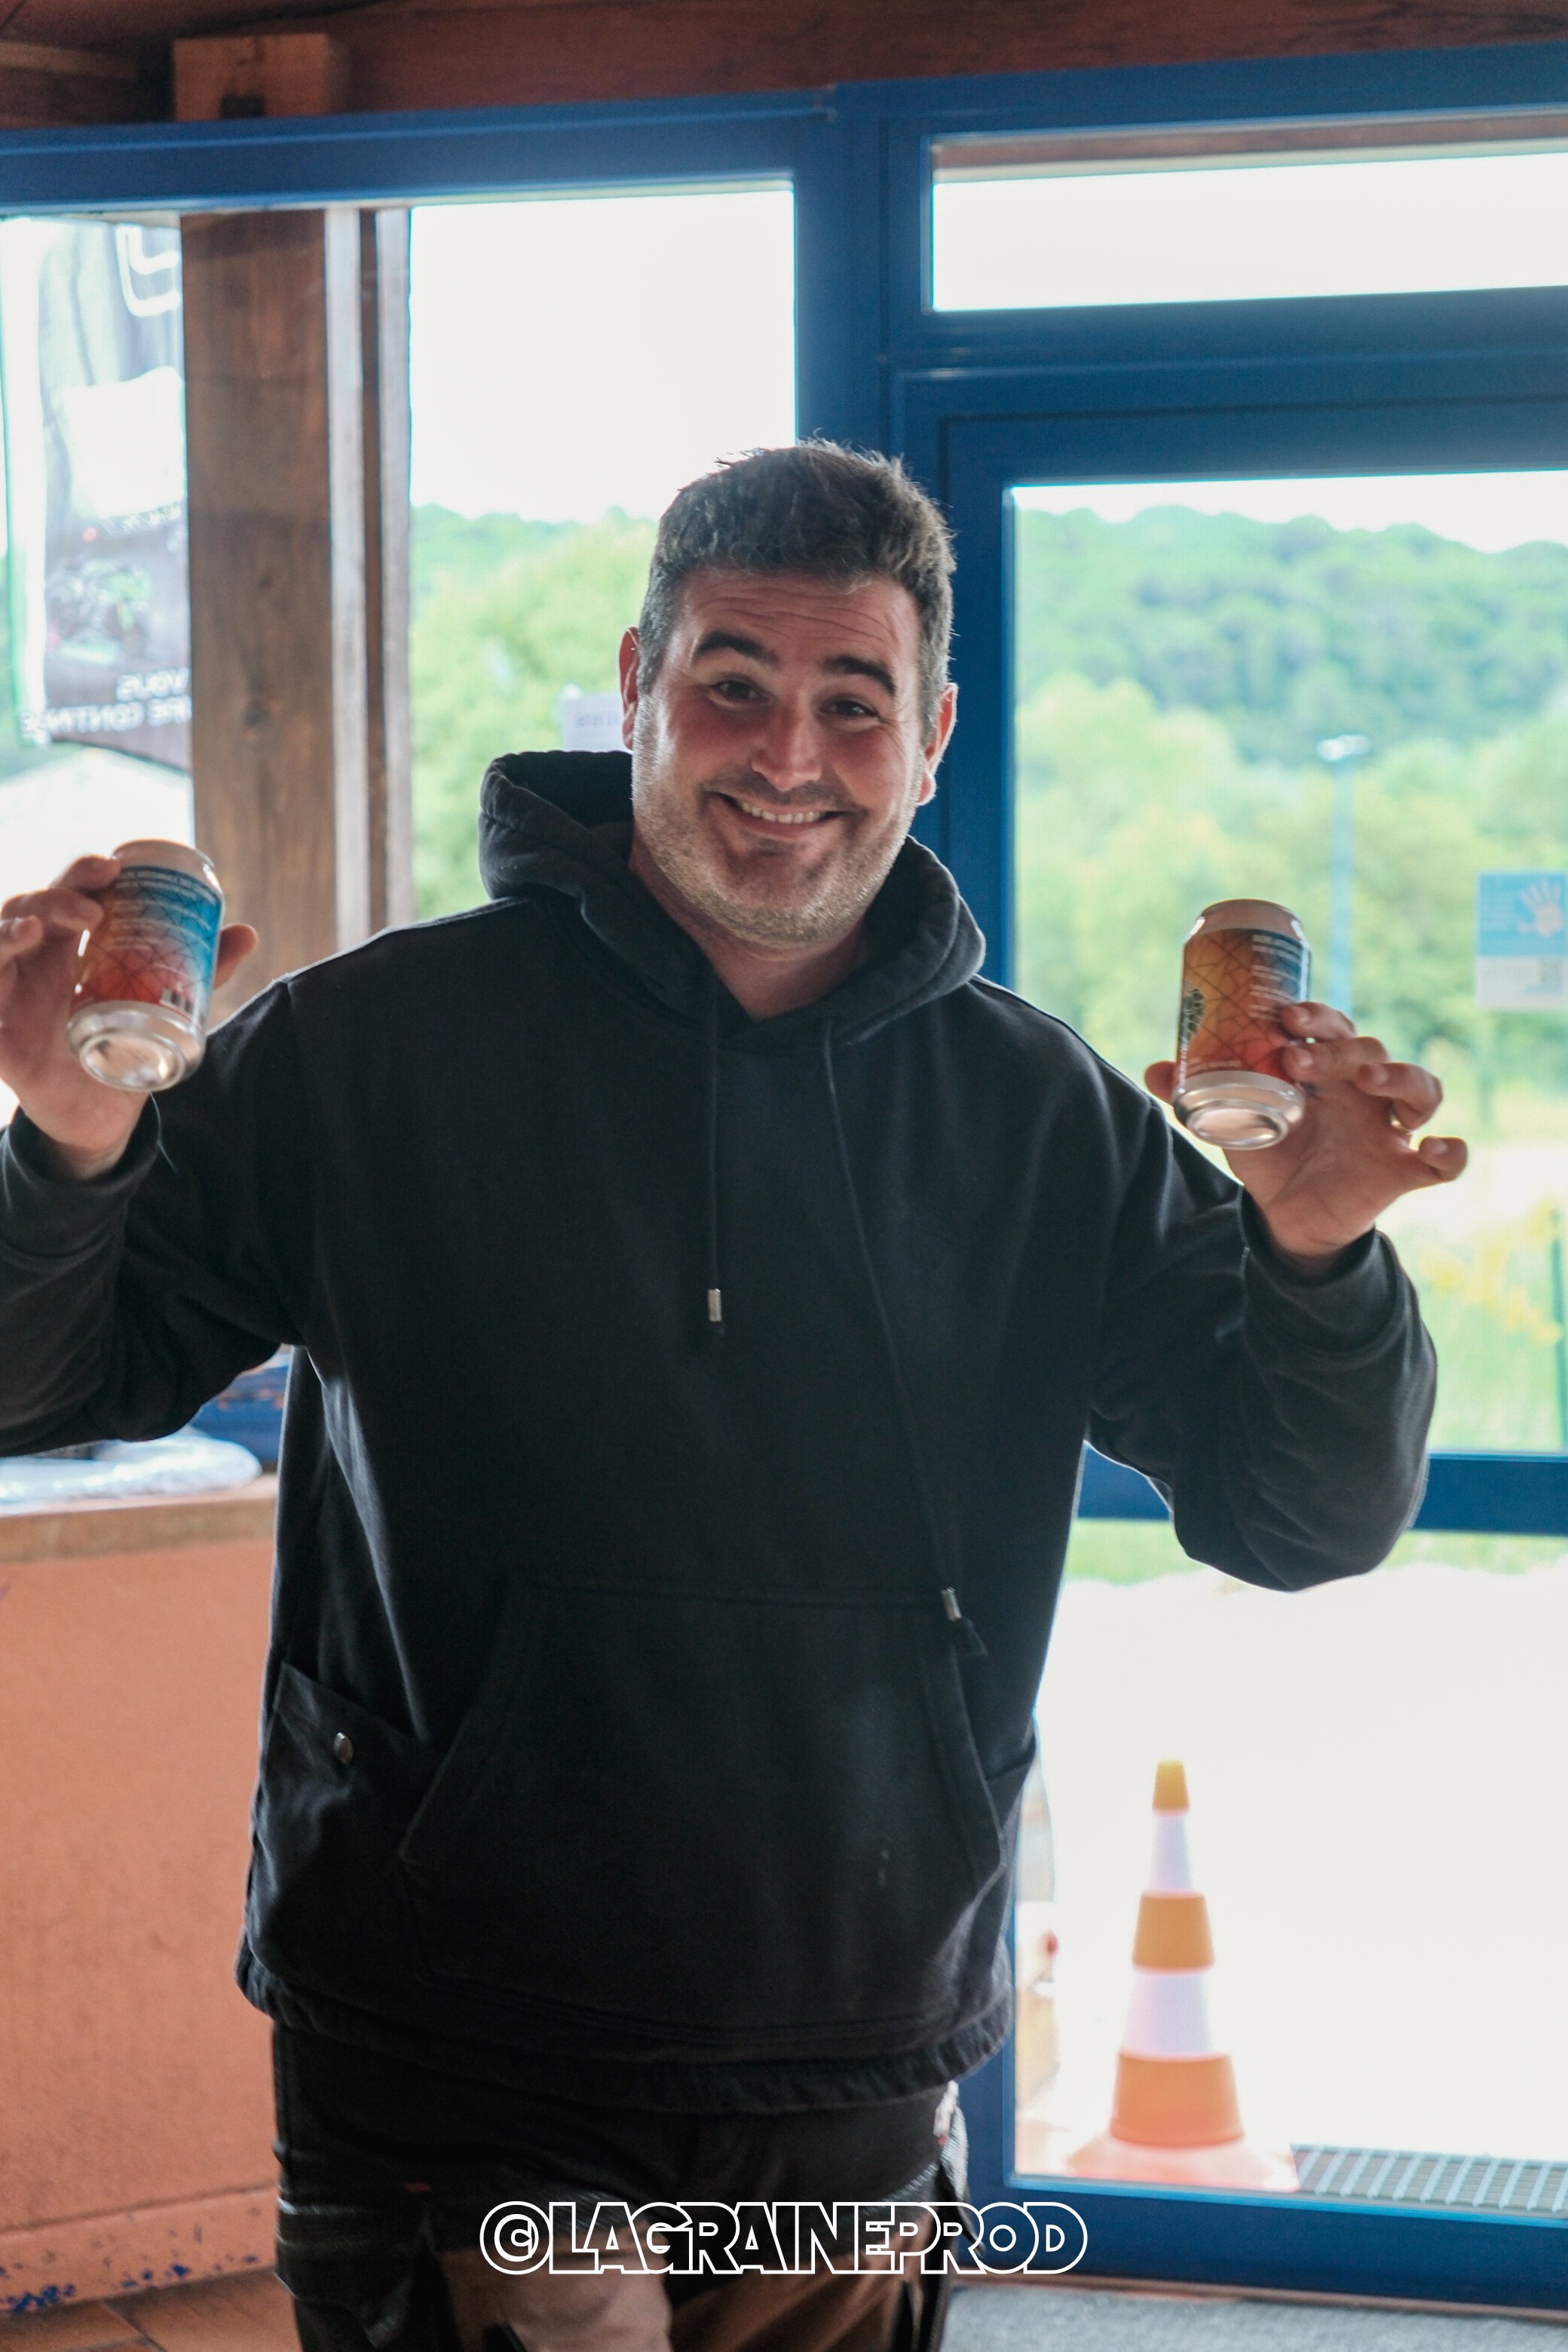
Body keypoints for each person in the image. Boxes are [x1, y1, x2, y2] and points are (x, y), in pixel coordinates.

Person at [0, 443, 1460, 2352]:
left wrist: (1320, 1255)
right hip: (460, 2052)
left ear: (929, 736)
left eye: (851, 704)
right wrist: (75, 1132)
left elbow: (1302, 1517)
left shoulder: (1040, 1120)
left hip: (849, 2056)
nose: (787, 757)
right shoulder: (374, 1049)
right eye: (731, 686)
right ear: (635, 687)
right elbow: (50, 1383)